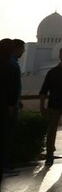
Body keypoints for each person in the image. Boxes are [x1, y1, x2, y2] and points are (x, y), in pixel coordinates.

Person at [4, 39, 24, 176]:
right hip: (9, 107)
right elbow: (10, 87)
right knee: (6, 137)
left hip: (11, 104)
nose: (23, 51)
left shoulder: (10, 63)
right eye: (22, 48)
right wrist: (11, 104)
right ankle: (4, 167)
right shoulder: (11, 64)